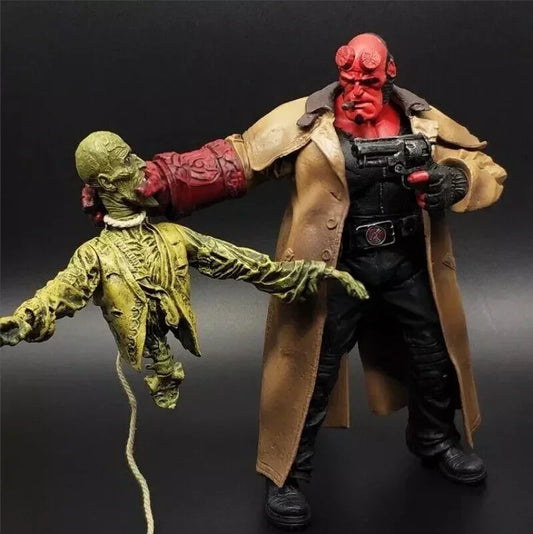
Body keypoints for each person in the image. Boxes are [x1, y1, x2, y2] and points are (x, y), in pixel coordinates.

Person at [83, 33, 507, 530]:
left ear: (390, 73)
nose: (356, 90)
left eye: (368, 81)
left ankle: (435, 439)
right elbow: (234, 161)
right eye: (348, 79)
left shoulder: (422, 120)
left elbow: (483, 166)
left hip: (407, 263)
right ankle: (284, 472)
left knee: (433, 358)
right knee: (309, 371)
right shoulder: (305, 122)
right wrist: (156, 182)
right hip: (330, 269)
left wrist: (454, 179)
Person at [0, 131, 366, 412]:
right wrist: (23, 322)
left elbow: (239, 261)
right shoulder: (95, 256)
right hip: (139, 339)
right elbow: (59, 293)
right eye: (127, 160)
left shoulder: (173, 237)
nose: (141, 164)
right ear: (108, 183)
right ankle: (157, 361)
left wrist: (309, 274)